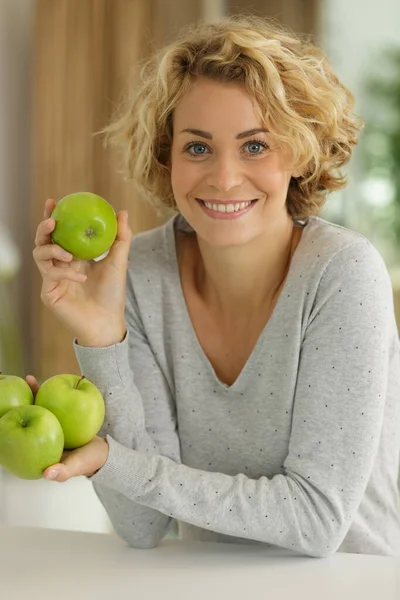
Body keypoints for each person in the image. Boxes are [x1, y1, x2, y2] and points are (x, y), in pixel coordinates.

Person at [30, 15, 400, 558]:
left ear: (298, 154)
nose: (224, 178)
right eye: (198, 148)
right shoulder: (139, 274)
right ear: (167, 156)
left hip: (350, 584)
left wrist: (116, 460)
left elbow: (317, 520)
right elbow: (142, 526)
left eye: (255, 146)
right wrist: (102, 341)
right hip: (205, 584)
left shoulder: (342, 273)